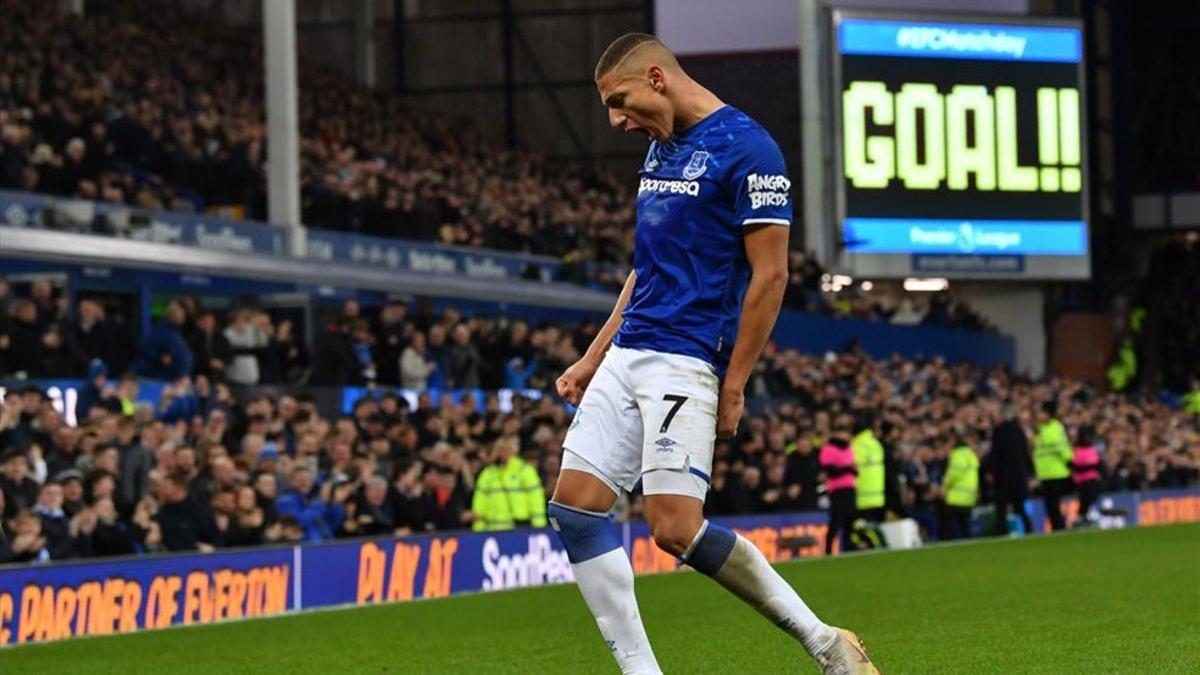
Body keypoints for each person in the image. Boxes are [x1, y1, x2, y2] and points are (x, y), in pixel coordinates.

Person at [547, 33, 875, 675]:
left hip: (685, 358)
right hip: (628, 351)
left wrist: (735, 381)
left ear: (656, 78)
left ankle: (826, 643)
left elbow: (771, 275)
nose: (615, 120)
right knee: (575, 511)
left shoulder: (751, 150)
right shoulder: (659, 149)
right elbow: (648, 268)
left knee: (673, 530)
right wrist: (594, 353)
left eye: (619, 101)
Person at [471, 437, 547, 530]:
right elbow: (479, 503)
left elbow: (536, 500)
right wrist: (478, 529)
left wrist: (539, 527)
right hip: (493, 529)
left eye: (508, 449)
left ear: (514, 451)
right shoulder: (488, 474)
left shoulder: (525, 471)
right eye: (501, 450)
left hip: (520, 527)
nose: (504, 453)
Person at [987, 404, 1035, 536]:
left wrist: (991, 471)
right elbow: (1026, 453)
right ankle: (1029, 528)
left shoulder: (998, 431)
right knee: (1019, 506)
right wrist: (1030, 472)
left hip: (1003, 476)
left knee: (1001, 507)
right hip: (1018, 475)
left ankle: (1002, 532)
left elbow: (995, 454)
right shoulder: (1019, 430)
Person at [820, 416, 858, 555]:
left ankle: (848, 546)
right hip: (837, 489)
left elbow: (853, 468)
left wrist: (850, 469)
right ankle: (829, 549)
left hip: (850, 487)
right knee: (836, 519)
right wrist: (847, 468)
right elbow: (830, 472)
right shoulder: (828, 449)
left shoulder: (849, 448)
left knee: (850, 517)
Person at [1033, 401, 1073, 532]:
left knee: (1053, 504)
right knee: (1050, 505)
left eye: (1041, 412)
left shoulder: (1053, 428)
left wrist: (1070, 461)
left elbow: (1061, 448)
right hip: (1046, 472)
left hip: (1055, 472)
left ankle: (1060, 528)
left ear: (1048, 414)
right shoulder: (1043, 429)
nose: (1038, 415)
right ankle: (1058, 528)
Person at [941, 433, 980, 540]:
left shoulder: (958, 455)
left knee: (948, 523)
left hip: (956, 496)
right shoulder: (971, 455)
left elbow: (954, 472)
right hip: (968, 496)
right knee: (965, 524)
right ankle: (969, 542)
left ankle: (946, 541)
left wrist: (945, 484)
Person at [850, 412, 885, 522]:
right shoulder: (875, 444)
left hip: (861, 497)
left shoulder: (856, 446)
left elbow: (852, 467)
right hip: (877, 496)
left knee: (861, 530)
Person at [1070, 425, 1102, 525]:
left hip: (1091, 479)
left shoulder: (1091, 450)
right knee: (1085, 499)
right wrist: (1089, 466)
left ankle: (1084, 516)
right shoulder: (1078, 451)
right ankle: (1082, 516)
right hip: (1082, 481)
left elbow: (1097, 465)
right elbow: (1076, 467)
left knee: (1089, 498)